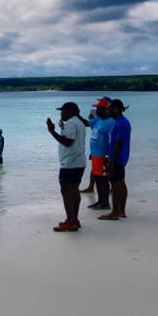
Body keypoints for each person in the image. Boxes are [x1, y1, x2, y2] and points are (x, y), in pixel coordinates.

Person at [47, 102, 86, 232]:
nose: (61, 113)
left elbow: (68, 142)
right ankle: (74, 220)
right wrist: (62, 129)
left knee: (66, 191)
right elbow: (70, 138)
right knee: (74, 190)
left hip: (70, 163)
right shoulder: (78, 123)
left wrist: (52, 131)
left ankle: (70, 222)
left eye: (62, 111)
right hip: (79, 162)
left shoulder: (72, 123)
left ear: (70, 111)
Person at [100, 99, 131, 221]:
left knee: (116, 185)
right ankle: (121, 210)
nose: (107, 111)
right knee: (120, 183)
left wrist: (110, 162)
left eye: (109, 108)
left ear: (116, 109)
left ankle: (115, 212)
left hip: (117, 159)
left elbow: (119, 144)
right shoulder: (120, 122)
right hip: (120, 158)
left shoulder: (121, 124)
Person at [84, 99, 114, 210]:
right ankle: (100, 200)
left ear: (106, 110)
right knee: (97, 178)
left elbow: (111, 140)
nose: (96, 111)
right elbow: (86, 123)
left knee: (103, 180)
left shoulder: (110, 122)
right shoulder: (98, 120)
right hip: (95, 155)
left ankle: (105, 202)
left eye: (99, 109)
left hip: (103, 155)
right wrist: (77, 115)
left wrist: (108, 157)